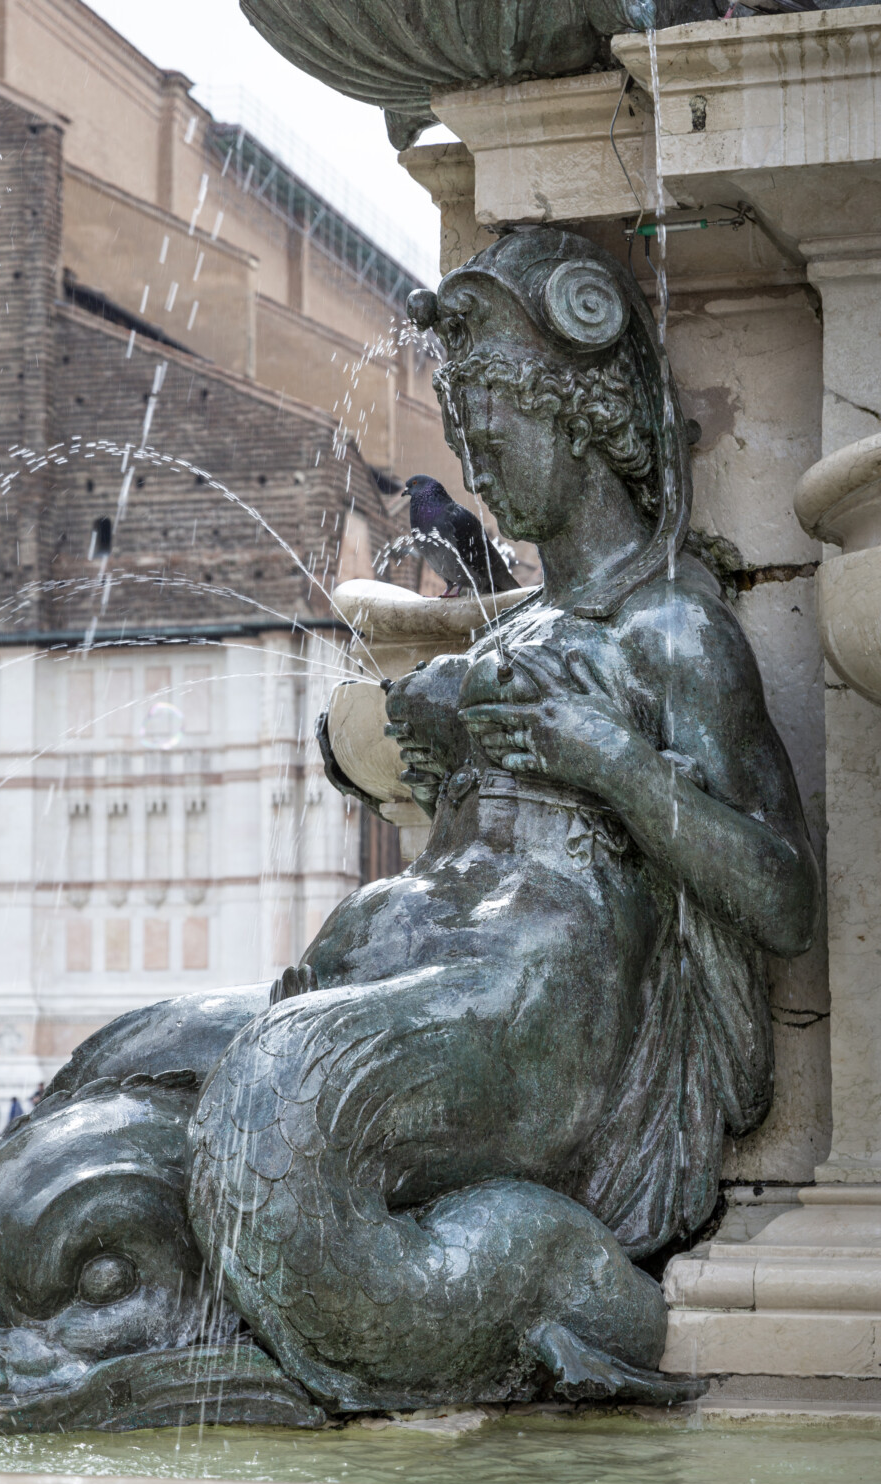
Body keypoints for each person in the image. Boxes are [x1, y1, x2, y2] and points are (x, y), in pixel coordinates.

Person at [186, 230, 821, 1409]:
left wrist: (617, 765)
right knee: (139, 1070)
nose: (475, 475)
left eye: (496, 433)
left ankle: (543, 1271)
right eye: (463, 439)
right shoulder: (516, 635)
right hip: (428, 988)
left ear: (583, 418)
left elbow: (784, 896)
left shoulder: (672, 629)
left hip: (541, 1038)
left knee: (278, 1088)